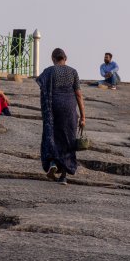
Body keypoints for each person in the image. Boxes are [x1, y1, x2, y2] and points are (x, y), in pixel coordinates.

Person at [36, 48, 86, 185]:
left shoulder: (48, 71)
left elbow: (41, 84)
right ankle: (64, 176)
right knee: (68, 139)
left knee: (52, 135)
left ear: (53, 58)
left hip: (53, 107)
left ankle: (52, 162)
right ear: (65, 58)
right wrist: (83, 116)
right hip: (69, 108)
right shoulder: (73, 71)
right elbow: (78, 95)